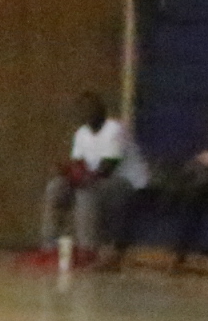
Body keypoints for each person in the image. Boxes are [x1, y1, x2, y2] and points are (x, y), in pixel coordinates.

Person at [39, 92, 142, 267]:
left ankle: (88, 250)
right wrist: (65, 171)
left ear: (101, 110)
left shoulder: (115, 129)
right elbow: (78, 165)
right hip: (96, 180)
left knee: (86, 190)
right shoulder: (82, 133)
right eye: (83, 109)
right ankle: (49, 247)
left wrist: (78, 177)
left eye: (91, 108)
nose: (87, 113)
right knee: (55, 187)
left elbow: (106, 170)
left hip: (124, 182)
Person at [134, 98, 208, 268]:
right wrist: (199, 162)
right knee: (184, 189)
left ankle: (179, 253)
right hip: (202, 182)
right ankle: (177, 254)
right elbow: (192, 163)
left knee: (196, 194)